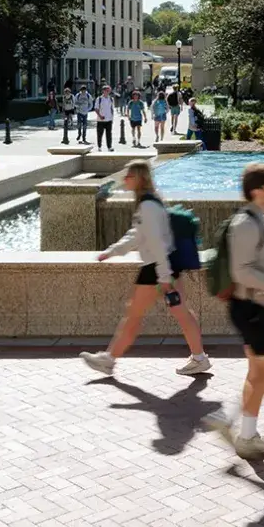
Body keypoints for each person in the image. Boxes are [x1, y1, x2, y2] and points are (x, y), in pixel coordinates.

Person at [205, 163, 264, 460]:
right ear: (257, 191)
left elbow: (263, 267)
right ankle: (241, 431)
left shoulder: (262, 219)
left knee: (257, 374)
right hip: (251, 309)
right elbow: (241, 272)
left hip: (258, 306)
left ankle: (239, 430)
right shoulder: (246, 224)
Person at [81, 161, 211, 378]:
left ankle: (109, 360)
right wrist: (112, 252)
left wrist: (163, 276)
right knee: (180, 312)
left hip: (156, 269)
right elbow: (137, 235)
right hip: (165, 266)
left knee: (134, 315)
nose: (125, 180)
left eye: (129, 176)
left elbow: (155, 242)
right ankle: (199, 357)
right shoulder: (150, 203)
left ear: (138, 178)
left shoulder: (148, 206)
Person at [95, 84, 116, 151]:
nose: (108, 91)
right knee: (100, 134)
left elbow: (112, 109)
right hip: (101, 120)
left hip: (109, 119)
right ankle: (99, 146)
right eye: (106, 90)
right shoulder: (99, 99)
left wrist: (112, 118)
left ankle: (109, 147)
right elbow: (96, 109)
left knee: (109, 134)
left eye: (108, 90)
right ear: (103, 91)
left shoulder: (111, 99)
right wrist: (100, 116)